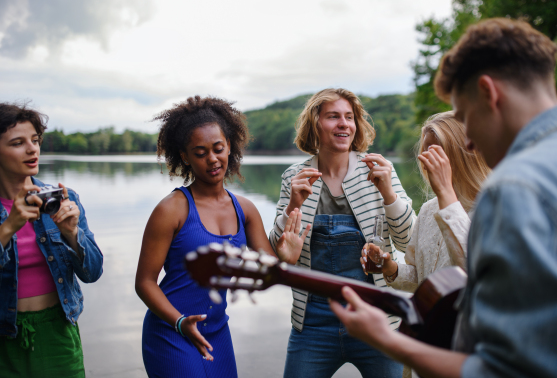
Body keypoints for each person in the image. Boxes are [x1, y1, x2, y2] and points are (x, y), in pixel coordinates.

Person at [331, 18, 557, 378]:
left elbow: (511, 371)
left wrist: (388, 340)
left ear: (489, 93)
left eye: (465, 116)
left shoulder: (517, 189)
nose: (469, 140)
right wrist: (391, 267)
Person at [135, 95, 308, 378]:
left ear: (230, 146)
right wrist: (179, 322)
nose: (212, 159)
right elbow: (144, 283)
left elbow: (268, 272)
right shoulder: (171, 210)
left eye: (218, 148)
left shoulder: (246, 210)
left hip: (217, 332)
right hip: (171, 331)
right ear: (185, 157)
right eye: (200, 152)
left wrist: (285, 260)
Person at [268, 88, 415, 378]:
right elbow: (278, 251)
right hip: (312, 321)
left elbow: (408, 241)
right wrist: (293, 206)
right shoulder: (293, 177)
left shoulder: (380, 170)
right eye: (333, 116)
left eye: (349, 117)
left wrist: (387, 192)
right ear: (315, 124)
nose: (343, 124)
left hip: (377, 316)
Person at [363, 111, 489, 378]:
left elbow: (475, 271)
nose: (429, 161)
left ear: (463, 152)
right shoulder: (430, 208)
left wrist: (446, 193)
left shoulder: (491, 206)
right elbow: (422, 280)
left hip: (467, 352)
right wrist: (390, 266)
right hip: (427, 344)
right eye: (426, 153)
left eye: (438, 152)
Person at [0, 102, 103, 378]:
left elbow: (93, 273)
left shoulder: (62, 199)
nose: (32, 149)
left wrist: (71, 233)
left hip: (57, 332)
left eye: (35, 140)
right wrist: (10, 225)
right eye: (18, 142)